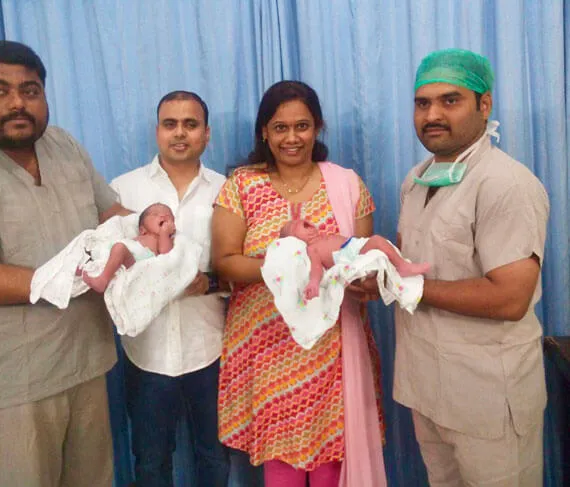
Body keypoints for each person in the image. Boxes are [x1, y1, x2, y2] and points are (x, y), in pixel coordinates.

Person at [0, 41, 131, 486]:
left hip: (86, 361)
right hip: (15, 382)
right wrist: (76, 278)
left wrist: (158, 234)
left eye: (30, 90)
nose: (17, 103)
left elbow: (113, 218)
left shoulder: (64, 146)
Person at [212, 80, 387, 486]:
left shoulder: (347, 185)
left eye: (302, 126)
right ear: (264, 132)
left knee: (332, 466)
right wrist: (288, 266)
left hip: (334, 352)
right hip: (268, 353)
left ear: (317, 128)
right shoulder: (241, 186)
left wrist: (363, 279)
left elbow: (359, 261)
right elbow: (225, 263)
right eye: (280, 127)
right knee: (282, 471)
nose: (291, 138)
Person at [392, 48, 549, 486]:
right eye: (422, 103)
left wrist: (408, 287)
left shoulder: (506, 184)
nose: (432, 115)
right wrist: (376, 276)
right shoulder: (416, 180)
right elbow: (409, 264)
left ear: (485, 104)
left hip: (487, 397)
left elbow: (511, 298)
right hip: (428, 388)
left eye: (450, 100)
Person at [110, 91, 230, 487]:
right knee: (150, 461)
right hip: (146, 352)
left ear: (206, 133)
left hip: (210, 348)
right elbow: (108, 262)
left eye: (190, 124)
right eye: (170, 124)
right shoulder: (122, 191)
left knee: (214, 457)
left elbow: (241, 265)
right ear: (157, 130)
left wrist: (208, 282)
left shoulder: (227, 191)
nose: (180, 133)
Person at [280, 219, 430, 300]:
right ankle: (402, 266)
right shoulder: (312, 249)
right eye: (296, 226)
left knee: (381, 245)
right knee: (377, 241)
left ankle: (396, 264)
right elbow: (316, 268)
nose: (307, 225)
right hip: (350, 256)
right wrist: (314, 282)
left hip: (354, 247)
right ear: (295, 240)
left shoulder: (323, 238)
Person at [82, 203, 176, 292]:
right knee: (103, 248)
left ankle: (102, 280)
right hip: (129, 253)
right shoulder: (140, 237)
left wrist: (165, 233)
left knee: (119, 248)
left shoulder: (166, 239)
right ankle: (83, 268)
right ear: (142, 230)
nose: (163, 216)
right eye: (155, 214)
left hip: (140, 260)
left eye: (168, 216)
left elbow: (166, 253)